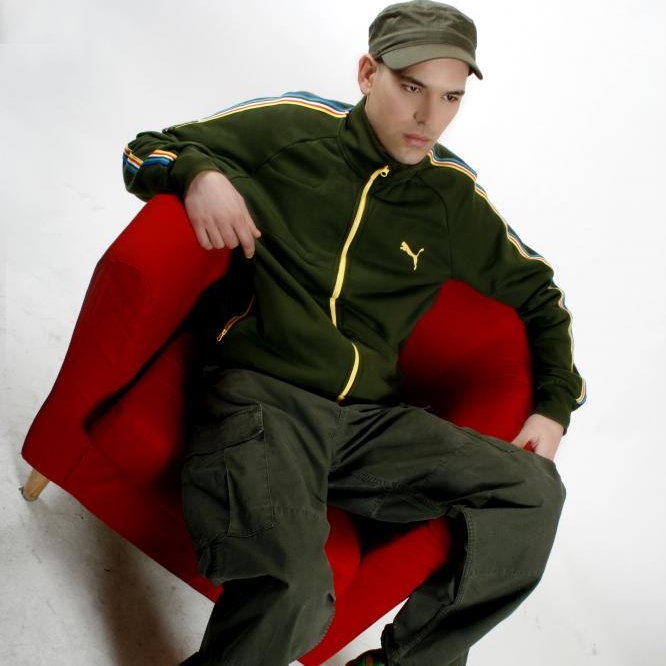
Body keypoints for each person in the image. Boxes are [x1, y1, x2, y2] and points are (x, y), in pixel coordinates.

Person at [122, 2, 586, 664]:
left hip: (369, 428)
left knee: (533, 491)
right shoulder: (292, 128)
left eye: (451, 97)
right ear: (369, 73)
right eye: (412, 87)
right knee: (296, 590)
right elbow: (146, 146)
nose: (429, 117)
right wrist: (199, 175)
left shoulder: (452, 200)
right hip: (263, 399)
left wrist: (554, 405)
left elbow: (541, 294)